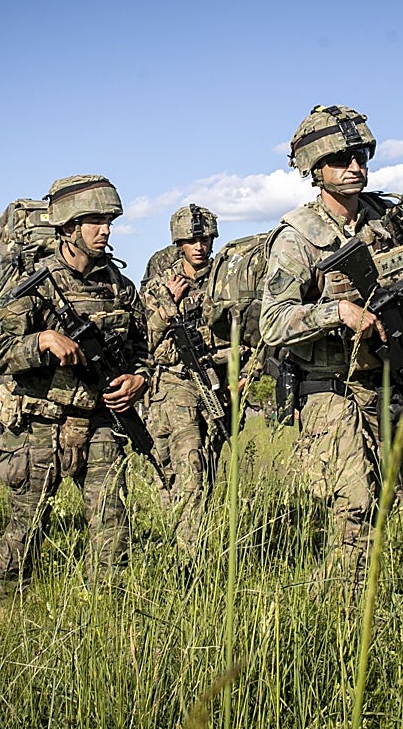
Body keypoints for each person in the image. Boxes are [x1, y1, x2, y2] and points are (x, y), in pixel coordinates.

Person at [259, 104, 403, 595]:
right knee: (353, 500)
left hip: (385, 384)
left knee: (382, 495)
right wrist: (337, 313)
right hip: (329, 389)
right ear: (316, 170)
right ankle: (339, 609)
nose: (355, 166)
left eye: (360, 154)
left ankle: (346, 595)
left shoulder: (390, 221)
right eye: (340, 158)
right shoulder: (298, 238)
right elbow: (272, 321)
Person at [0, 175, 151, 595]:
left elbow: (142, 348)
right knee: (26, 524)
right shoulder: (35, 284)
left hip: (98, 421)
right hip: (42, 424)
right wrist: (41, 340)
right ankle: (6, 607)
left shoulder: (120, 286)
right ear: (67, 227)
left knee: (112, 523)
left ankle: (110, 614)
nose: (105, 230)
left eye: (109, 220)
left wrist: (139, 378)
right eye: (93, 220)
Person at [141, 204, 229, 551]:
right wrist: (168, 307)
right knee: (186, 466)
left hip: (218, 384)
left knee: (206, 466)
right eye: (191, 240)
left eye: (205, 239)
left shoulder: (225, 280)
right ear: (179, 242)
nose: (199, 246)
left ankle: (191, 540)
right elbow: (143, 341)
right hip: (175, 383)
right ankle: (188, 554)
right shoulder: (160, 284)